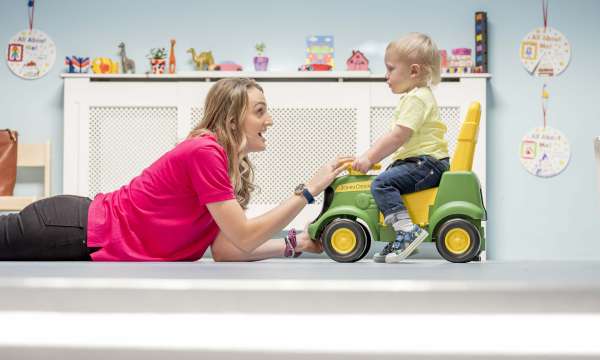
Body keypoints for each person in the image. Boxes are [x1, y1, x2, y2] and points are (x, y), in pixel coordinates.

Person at [0, 78, 351, 261]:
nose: (269, 120)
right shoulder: (205, 152)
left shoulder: (225, 163)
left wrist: (297, 243)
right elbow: (243, 236)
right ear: (232, 118)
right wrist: (307, 191)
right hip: (72, 227)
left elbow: (228, 249)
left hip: (78, 230)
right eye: (260, 111)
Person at [352, 33, 449, 263]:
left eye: (391, 69)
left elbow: (397, 137)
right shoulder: (417, 97)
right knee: (389, 176)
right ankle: (405, 235)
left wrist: (368, 157)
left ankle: (407, 232)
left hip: (426, 163)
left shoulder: (416, 98)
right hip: (424, 163)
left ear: (414, 71)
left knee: (382, 183)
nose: (386, 77)